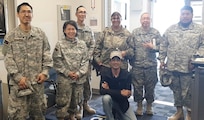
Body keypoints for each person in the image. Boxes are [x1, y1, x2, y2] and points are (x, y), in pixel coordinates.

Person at [3, 2, 53, 120]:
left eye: (29, 12)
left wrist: (45, 72)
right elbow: (8, 58)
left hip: (37, 84)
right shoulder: (10, 36)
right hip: (19, 86)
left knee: (39, 114)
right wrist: (18, 77)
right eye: (23, 12)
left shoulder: (40, 34)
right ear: (18, 15)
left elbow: (46, 54)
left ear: (32, 14)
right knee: (18, 116)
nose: (27, 14)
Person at [159, 6, 204, 120]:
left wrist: (195, 60)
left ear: (192, 15)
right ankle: (179, 112)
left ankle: (190, 114)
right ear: (180, 15)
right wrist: (162, 59)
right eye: (183, 14)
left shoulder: (200, 30)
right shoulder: (171, 29)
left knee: (189, 93)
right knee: (176, 92)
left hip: (189, 68)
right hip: (173, 67)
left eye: (187, 14)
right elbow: (163, 44)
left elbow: (203, 46)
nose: (185, 16)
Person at [52, 20, 89, 120]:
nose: (71, 31)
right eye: (68, 29)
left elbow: (85, 61)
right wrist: (67, 73)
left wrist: (79, 73)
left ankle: (72, 115)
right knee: (62, 101)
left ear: (76, 31)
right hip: (64, 79)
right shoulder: (59, 44)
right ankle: (61, 117)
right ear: (64, 31)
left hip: (78, 79)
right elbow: (57, 61)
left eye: (73, 29)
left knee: (76, 100)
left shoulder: (82, 44)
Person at [128, 12, 162, 116]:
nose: (145, 21)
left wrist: (153, 47)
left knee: (150, 88)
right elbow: (130, 48)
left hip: (150, 66)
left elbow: (162, 47)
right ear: (140, 20)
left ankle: (149, 105)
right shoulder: (135, 32)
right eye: (143, 19)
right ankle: (139, 105)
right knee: (137, 88)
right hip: (137, 66)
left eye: (147, 19)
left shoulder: (155, 33)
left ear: (150, 20)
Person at [100, 51, 137, 120]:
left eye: (118, 60)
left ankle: (118, 115)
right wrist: (120, 92)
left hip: (123, 104)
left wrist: (108, 90)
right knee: (105, 98)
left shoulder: (127, 75)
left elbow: (127, 94)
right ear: (110, 62)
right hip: (110, 103)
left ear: (121, 62)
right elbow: (101, 91)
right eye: (113, 60)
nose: (115, 62)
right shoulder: (105, 74)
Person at [74, 5, 96, 119]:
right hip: (75, 63)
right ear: (76, 14)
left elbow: (92, 44)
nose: (82, 14)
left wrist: (87, 57)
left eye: (84, 12)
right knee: (78, 85)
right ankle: (79, 107)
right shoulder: (72, 28)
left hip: (86, 63)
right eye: (80, 12)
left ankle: (86, 103)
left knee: (87, 83)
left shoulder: (89, 30)